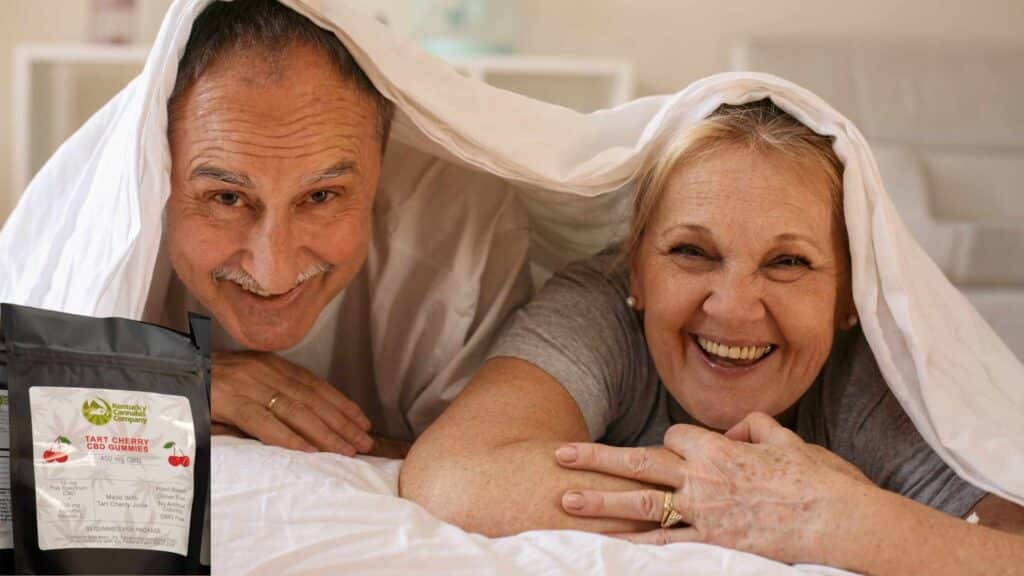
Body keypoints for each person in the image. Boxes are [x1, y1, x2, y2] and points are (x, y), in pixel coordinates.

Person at [401, 99, 1024, 573]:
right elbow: (455, 475)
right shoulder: (601, 308)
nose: (732, 309)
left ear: (849, 299)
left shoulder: (876, 376)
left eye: (789, 262)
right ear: (635, 269)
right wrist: (745, 505)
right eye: (692, 251)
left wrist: (838, 518)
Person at [155, 0, 532, 457]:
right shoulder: (107, 230)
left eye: (320, 196)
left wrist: (260, 435)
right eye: (227, 198)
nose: (272, 274)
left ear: (382, 159)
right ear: (160, 164)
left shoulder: (461, 230)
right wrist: (171, 379)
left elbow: (485, 464)